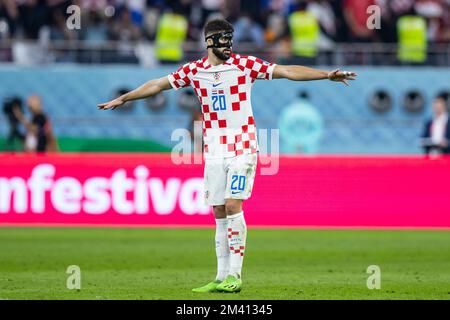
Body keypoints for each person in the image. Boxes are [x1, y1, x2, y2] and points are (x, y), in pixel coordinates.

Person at [98, 19, 357, 293]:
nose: (228, 45)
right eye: (223, 40)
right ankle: (221, 277)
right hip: (214, 150)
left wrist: (326, 75)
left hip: (243, 147)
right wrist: (125, 98)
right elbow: (157, 85)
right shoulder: (194, 71)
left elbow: (287, 70)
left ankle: (236, 275)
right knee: (219, 210)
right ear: (209, 41)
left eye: (230, 40)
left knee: (234, 205)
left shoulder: (245, 65)